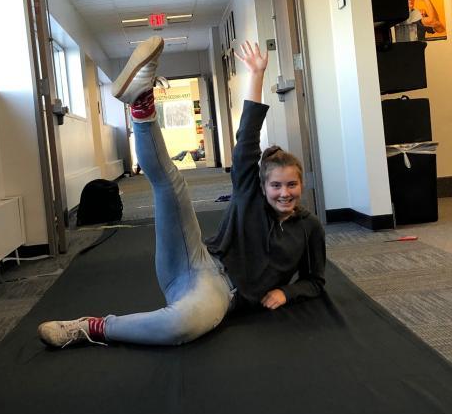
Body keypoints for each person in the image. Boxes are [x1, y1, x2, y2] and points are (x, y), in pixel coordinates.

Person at [38, 36, 326, 348]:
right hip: (194, 257)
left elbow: (315, 281)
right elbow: (247, 139)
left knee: (180, 326)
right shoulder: (250, 196)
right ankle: (142, 106)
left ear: (302, 185)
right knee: (171, 185)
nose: (284, 193)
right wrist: (256, 74)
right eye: (276, 185)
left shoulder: (309, 227)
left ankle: (90, 328)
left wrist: (287, 292)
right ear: (263, 186)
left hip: (219, 292)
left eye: (292, 185)